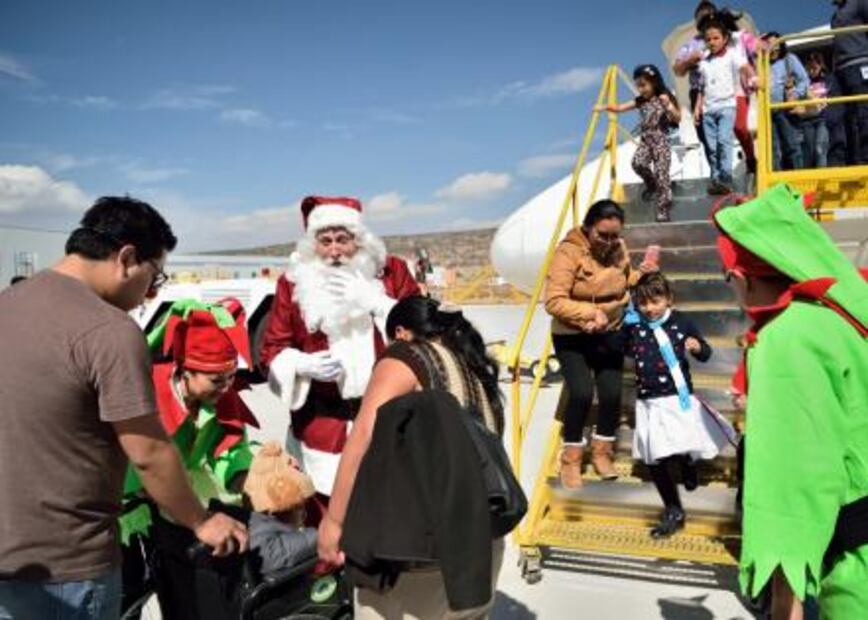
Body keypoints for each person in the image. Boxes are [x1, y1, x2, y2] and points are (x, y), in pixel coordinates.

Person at [0, 197, 247, 620]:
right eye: (155, 275)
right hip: (70, 564)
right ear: (127, 258)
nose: (152, 292)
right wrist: (202, 521)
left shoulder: (8, 304)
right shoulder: (109, 329)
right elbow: (148, 451)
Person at [714, 184, 868, 619]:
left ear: (741, 278)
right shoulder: (844, 312)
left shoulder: (788, 338)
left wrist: (785, 603)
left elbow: (791, 485)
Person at [318, 295, 504, 619]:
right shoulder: (471, 365)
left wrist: (333, 522)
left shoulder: (405, 356)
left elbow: (364, 436)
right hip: (484, 546)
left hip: (425, 555)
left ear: (401, 332)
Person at [258, 196, 419, 512]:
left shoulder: (391, 272)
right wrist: (300, 364)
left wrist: (379, 304)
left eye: (342, 240)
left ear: (359, 240)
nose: (334, 251)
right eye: (325, 241)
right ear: (312, 245)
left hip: (390, 420)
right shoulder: (292, 284)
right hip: (324, 426)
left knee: (391, 508)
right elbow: (271, 350)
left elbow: (426, 331)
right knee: (329, 512)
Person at [544, 199, 656, 488]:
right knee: (581, 393)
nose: (608, 242)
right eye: (602, 235)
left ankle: (602, 453)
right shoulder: (568, 252)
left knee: (611, 394)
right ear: (587, 227)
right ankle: (571, 458)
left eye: (614, 235)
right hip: (572, 334)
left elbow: (624, 278)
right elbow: (554, 301)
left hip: (610, 330)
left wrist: (641, 273)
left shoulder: (618, 247)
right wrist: (589, 313)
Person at [123, 300, 259, 529]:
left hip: (177, 499)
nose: (226, 387)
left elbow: (229, 450)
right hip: (124, 501)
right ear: (185, 371)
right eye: (216, 380)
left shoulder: (222, 399)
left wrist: (244, 478)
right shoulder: (147, 392)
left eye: (231, 377)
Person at [624, 273, 736, 538]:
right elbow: (622, 347)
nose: (650, 309)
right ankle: (673, 509)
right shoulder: (634, 326)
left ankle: (687, 462)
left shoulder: (681, 322)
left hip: (676, 398)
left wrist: (697, 347)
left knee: (679, 444)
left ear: (669, 299)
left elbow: (706, 353)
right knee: (654, 458)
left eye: (655, 301)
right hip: (648, 401)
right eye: (643, 303)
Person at [597, 64, 681, 222]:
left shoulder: (664, 98)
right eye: (638, 86)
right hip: (646, 141)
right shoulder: (640, 101)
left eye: (643, 85)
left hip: (661, 141)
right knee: (638, 163)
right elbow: (620, 107)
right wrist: (604, 107)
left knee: (662, 175)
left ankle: (663, 209)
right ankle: (651, 184)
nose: (640, 89)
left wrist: (669, 106)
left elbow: (677, 118)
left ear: (654, 82)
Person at [695, 14, 755, 194]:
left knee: (724, 141)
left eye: (716, 38)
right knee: (712, 147)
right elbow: (702, 87)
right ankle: (716, 180)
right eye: (708, 39)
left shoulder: (732, 55)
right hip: (708, 110)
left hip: (727, 106)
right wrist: (698, 107)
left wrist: (754, 78)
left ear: (725, 39)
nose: (712, 42)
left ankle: (726, 178)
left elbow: (745, 67)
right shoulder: (704, 61)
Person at [674, 1, 720, 165]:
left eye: (709, 16)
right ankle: (716, 173)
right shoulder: (691, 45)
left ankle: (728, 170)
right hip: (697, 92)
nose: (705, 20)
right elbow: (677, 69)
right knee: (705, 136)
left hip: (723, 90)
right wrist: (689, 61)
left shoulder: (726, 37)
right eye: (701, 18)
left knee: (724, 133)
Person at [763, 32, 809, 171]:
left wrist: (795, 93)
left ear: (781, 45)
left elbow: (804, 80)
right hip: (768, 112)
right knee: (773, 150)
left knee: (792, 146)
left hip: (785, 109)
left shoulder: (789, 59)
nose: (773, 48)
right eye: (769, 45)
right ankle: (777, 181)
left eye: (776, 45)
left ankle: (799, 178)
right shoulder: (762, 63)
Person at [832, 0, 868, 164]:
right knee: (841, 116)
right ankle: (850, 159)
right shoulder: (835, 15)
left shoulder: (860, 2)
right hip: (840, 69)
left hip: (860, 63)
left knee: (863, 112)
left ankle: (866, 159)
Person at [803, 52, 840, 168]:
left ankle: (822, 174)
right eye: (809, 68)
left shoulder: (829, 79)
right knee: (810, 152)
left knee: (820, 148)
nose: (811, 71)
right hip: (807, 120)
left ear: (821, 65)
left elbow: (833, 98)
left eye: (814, 68)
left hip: (822, 119)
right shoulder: (804, 82)